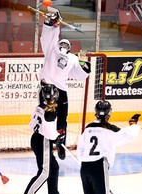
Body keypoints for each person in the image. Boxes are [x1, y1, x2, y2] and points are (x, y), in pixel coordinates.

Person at [39, 7, 91, 160]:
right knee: (58, 117)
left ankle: (57, 143)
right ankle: (57, 143)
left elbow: (80, 74)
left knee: (52, 116)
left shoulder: (61, 54)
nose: (63, 47)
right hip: (56, 89)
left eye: (65, 45)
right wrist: (53, 24)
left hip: (48, 88)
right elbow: (82, 74)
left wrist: (51, 24)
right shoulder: (55, 51)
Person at [77, 100, 141, 194]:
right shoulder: (110, 129)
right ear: (109, 113)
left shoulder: (88, 128)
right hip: (99, 167)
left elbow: (80, 148)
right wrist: (133, 124)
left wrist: (85, 160)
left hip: (85, 168)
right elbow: (129, 134)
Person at [20, 84, 66, 194]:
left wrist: (54, 136)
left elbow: (32, 124)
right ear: (56, 96)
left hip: (36, 138)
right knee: (45, 171)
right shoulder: (51, 113)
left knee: (54, 167)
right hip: (43, 142)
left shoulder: (39, 107)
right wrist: (59, 138)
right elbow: (50, 134)